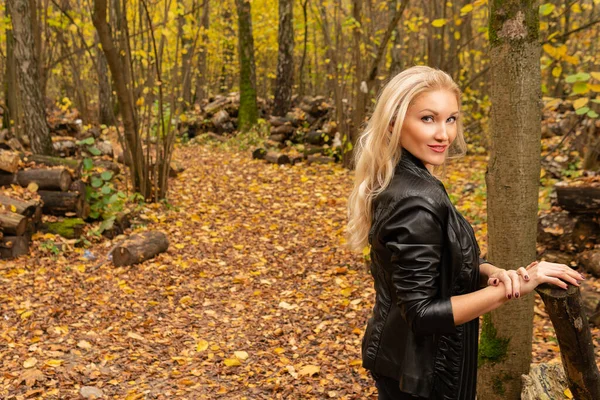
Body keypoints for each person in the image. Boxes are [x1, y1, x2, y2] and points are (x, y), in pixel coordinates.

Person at [345, 66, 584, 400]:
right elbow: (422, 314)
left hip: (404, 363)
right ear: (393, 122)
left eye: (451, 119)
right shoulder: (416, 200)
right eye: (428, 118)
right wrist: (516, 288)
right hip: (420, 378)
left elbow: (442, 258)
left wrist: (493, 273)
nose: (444, 134)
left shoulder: (411, 180)